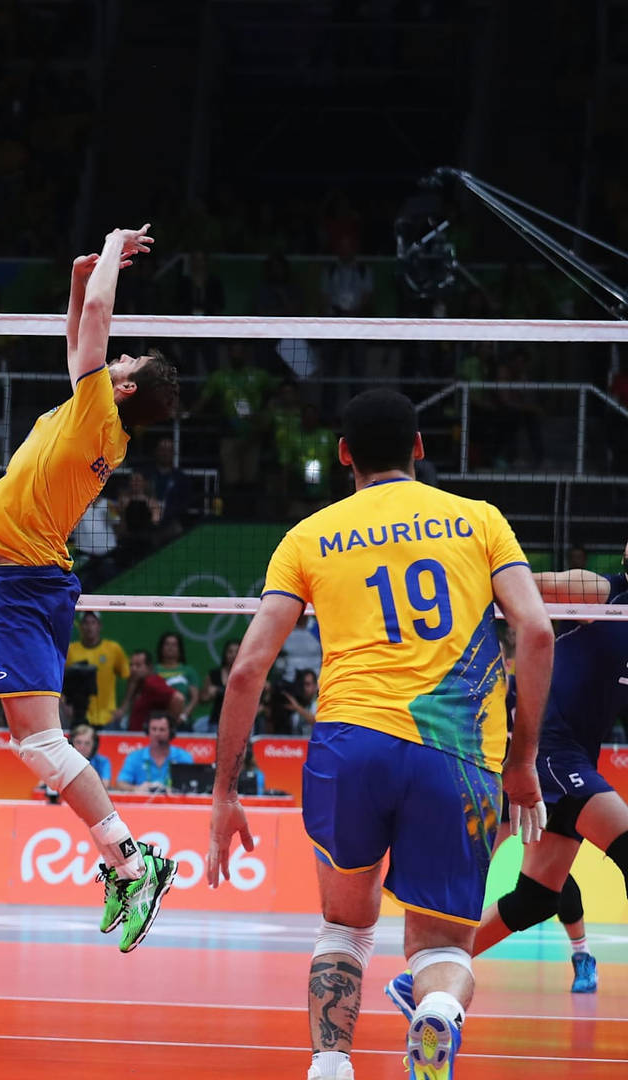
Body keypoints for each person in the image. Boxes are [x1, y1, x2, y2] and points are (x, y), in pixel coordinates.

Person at [206, 389, 554, 1080]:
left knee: (344, 926)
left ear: (343, 456)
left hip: (351, 743)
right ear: (420, 448)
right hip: (455, 754)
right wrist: (524, 759)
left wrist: (223, 790)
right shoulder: (479, 521)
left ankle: (330, 1067)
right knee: (441, 945)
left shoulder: (308, 536)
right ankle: (439, 1016)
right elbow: (537, 632)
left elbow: (247, 670)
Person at [0, 225, 181, 953]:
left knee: (44, 745)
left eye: (122, 359)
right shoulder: (96, 415)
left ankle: (131, 857)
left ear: (120, 386)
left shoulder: (99, 413)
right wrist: (77, 278)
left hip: (25, 584)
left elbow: (93, 325)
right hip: (25, 582)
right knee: (35, 744)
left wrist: (115, 248)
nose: (109, 353)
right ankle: (124, 859)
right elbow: (78, 338)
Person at [379, 541, 628, 1013]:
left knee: (536, 899)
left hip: (576, 759)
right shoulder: (602, 593)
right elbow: (523, 587)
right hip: (552, 754)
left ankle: (423, 983)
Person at [64, 613, 129, 728]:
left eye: (93, 622)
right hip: (79, 717)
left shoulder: (113, 649)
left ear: (100, 626)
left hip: (108, 718)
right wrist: (65, 704)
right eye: (85, 623)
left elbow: (129, 677)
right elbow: (57, 681)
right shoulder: (70, 650)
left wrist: (123, 708)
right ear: (80, 627)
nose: (89, 627)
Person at [116, 713, 194, 792]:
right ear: (147, 731)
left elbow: (192, 786)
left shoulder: (183, 757)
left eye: (162, 730)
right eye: (153, 729)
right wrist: (136, 788)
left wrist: (174, 791)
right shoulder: (134, 757)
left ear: (171, 732)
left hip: (173, 803)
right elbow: (120, 784)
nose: (157, 734)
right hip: (143, 803)